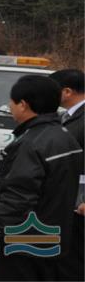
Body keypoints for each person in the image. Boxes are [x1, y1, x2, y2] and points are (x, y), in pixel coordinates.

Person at [0, 75, 82, 281]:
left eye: (11, 102)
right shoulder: (64, 136)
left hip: (22, 242)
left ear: (23, 105)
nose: (9, 107)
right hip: (53, 235)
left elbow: (17, 198)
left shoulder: (31, 144)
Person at [49, 69, 84, 281]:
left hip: (80, 201)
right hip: (67, 197)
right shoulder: (68, 116)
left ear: (67, 91)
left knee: (75, 258)